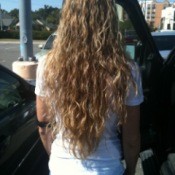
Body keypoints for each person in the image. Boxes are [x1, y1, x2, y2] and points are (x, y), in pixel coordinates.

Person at [35, 0, 144, 174]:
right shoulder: (126, 70)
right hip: (108, 169)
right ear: (109, 19)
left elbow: (43, 126)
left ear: (67, 19)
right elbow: (131, 137)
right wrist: (131, 170)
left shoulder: (47, 66)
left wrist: (57, 159)